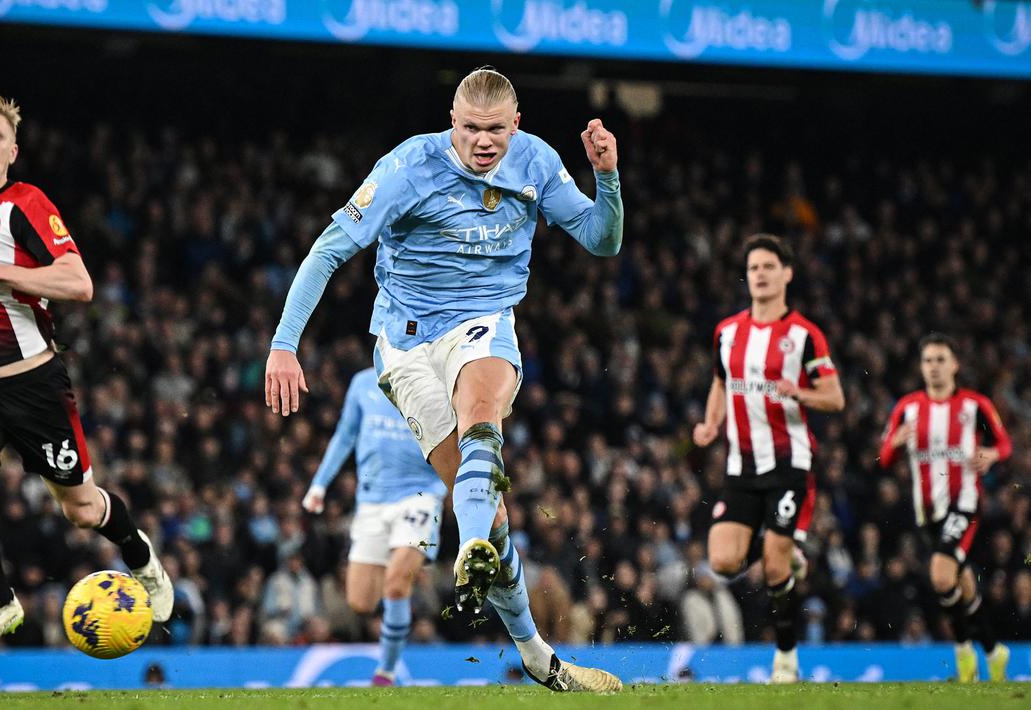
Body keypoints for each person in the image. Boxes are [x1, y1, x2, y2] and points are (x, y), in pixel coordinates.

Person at [266, 67, 624, 692]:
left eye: (496, 130)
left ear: (517, 124)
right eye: (470, 129)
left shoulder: (535, 162)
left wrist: (608, 177)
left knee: (482, 407)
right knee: (491, 506)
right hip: (402, 347)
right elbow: (328, 249)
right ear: (451, 122)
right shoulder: (408, 167)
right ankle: (537, 655)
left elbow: (601, 240)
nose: (484, 142)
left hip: (483, 323)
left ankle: (469, 550)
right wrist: (283, 345)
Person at [0, 94, 173, 662]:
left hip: (34, 386)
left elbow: (79, 283)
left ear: (12, 151)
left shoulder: (25, 204)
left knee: (81, 511)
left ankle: (138, 552)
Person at [692, 234, 845, 683]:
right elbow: (720, 383)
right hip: (741, 466)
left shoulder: (804, 335)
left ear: (787, 274)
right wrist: (710, 423)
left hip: (788, 464)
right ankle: (785, 545)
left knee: (775, 565)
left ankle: (785, 657)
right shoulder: (727, 331)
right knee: (722, 562)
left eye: (768, 267)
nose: (759, 274)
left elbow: (836, 397)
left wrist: (801, 392)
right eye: (754, 267)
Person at [877, 332, 1012, 682]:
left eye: (940, 360)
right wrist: (895, 442)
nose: (934, 367)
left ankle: (964, 650)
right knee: (961, 586)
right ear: (921, 367)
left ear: (954, 365)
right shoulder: (907, 407)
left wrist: (992, 454)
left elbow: (1004, 443)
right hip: (928, 510)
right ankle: (994, 651)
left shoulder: (974, 405)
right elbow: (884, 458)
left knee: (940, 575)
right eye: (928, 361)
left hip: (964, 503)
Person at [302, 369, 447, 686]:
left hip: (420, 495)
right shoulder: (362, 383)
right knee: (361, 601)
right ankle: (403, 581)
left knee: (396, 583)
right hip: (371, 501)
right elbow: (344, 436)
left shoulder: (435, 379)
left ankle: (386, 672)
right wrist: (319, 485)